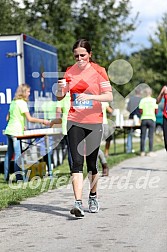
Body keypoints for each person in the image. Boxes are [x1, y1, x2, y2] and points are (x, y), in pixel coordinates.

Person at [56, 38, 112, 218]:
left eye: (83, 55)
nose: (79, 59)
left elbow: (109, 96)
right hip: (74, 121)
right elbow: (59, 97)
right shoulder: (69, 72)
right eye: (76, 56)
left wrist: (91, 97)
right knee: (76, 163)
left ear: (90, 55)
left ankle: (93, 197)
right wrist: (59, 89)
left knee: (92, 163)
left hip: (94, 121)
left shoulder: (99, 71)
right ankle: (77, 203)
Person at [4, 84, 50, 182]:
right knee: (18, 155)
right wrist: (42, 121)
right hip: (16, 132)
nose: (29, 94)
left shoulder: (13, 102)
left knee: (9, 155)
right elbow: (30, 119)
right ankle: (19, 178)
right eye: (28, 92)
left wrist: (21, 124)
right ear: (23, 92)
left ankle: (6, 177)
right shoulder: (22, 103)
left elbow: (7, 118)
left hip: (9, 130)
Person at [51, 92, 72, 169]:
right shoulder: (75, 95)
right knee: (74, 149)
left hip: (66, 126)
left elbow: (58, 111)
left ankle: (72, 170)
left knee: (70, 149)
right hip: (76, 124)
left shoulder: (61, 97)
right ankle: (77, 170)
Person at [139, 87, 158, 156]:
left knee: (143, 136)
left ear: (145, 93)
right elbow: (156, 111)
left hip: (144, 118)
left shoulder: (142, 100)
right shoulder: (154, 100)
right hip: (152, 118)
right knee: (150, 136)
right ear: (151, 93)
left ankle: (142, 151)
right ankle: (150, 151)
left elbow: (140, 110)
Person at [126, 89, 141, 153]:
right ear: (140, 93)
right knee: (142, 134)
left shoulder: (131, 99)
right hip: (139, 118)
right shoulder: (141, 99)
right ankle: (142, 148)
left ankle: (129, 149)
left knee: (130, 134)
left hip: (131, 117)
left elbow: (127, 108)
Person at [156, 85, 167, 151]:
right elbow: (157, 101)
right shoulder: (165, 88)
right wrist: (161, 93)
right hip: (165, 117)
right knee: (166, 142)